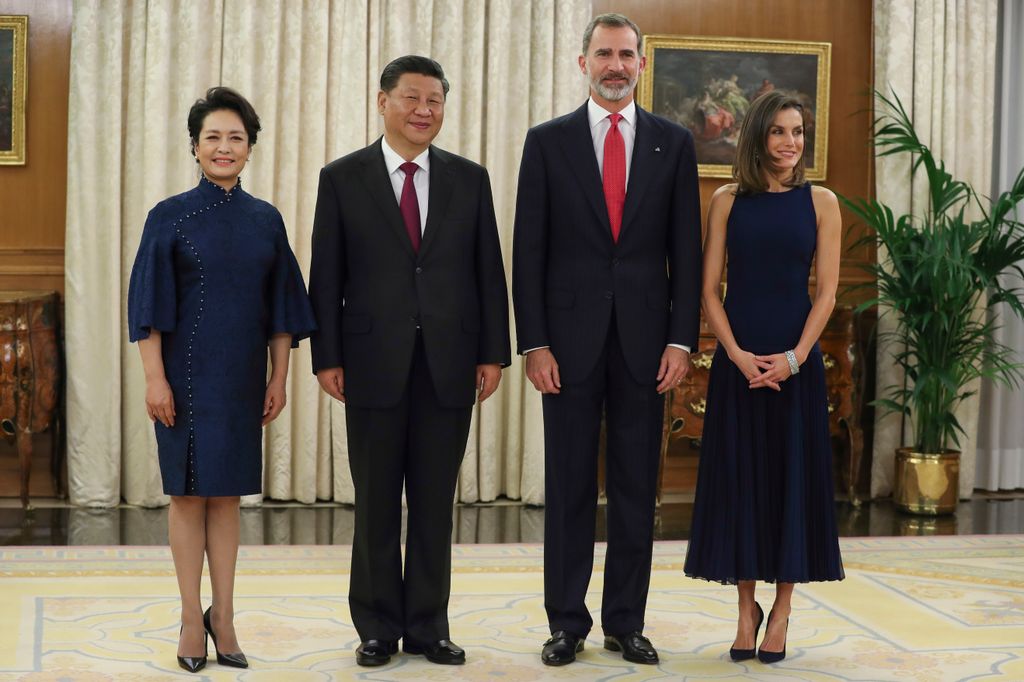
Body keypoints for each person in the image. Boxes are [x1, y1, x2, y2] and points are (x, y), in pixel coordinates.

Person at [512, 13, 702, 667]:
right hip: (564, 346)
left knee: (634, 488)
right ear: (582, 62)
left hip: (648, 347)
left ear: (642, 65)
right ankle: (566, 622)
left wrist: (681, 342)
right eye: (604, 54)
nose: (615, 65)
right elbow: (527, 250)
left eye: (627, 55)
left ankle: (627, 620)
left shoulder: (673, 144)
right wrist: (533, 342)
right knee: (566, 487)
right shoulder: (547, 142)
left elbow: (688, 251)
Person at [308, 55, 510, 668]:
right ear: (383, 102)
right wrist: (327, 356)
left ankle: (427, 624)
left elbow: (487, 272)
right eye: (412, 98)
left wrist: (493, 353)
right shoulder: (342, 178)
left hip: (450, 361)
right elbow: (327, 274)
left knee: (432, 499)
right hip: (369, 360)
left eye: (435, 101)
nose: (425, 111)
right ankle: (375, 625)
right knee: (374, 499)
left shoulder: (470, 179)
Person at [127, 87, 316, 673]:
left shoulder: (266, 219)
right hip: (181, 378)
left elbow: (283, 307)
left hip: (241, 377)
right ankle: (189, 618)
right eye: (213, 137)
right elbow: (147, 306)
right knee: (187, 497)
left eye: (236, 137)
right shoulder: (169, 214)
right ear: (194, 146)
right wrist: (154, 380)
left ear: (251, 147)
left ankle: (224, 616)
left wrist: (279, 376)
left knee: (228, 498)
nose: (224, 147)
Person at [682, 90, 845, 664]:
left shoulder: (822, 202)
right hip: (739, 364)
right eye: (779, 132)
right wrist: (735, 355)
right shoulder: (726, 200)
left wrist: (796, 358)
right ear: (757, 136)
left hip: (795, 365)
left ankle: (782, 609)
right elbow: (708, 290)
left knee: (790, 482)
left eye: (798, 132)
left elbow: (825, 293)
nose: (790, 143)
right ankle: (745, 609)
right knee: (743, 482)